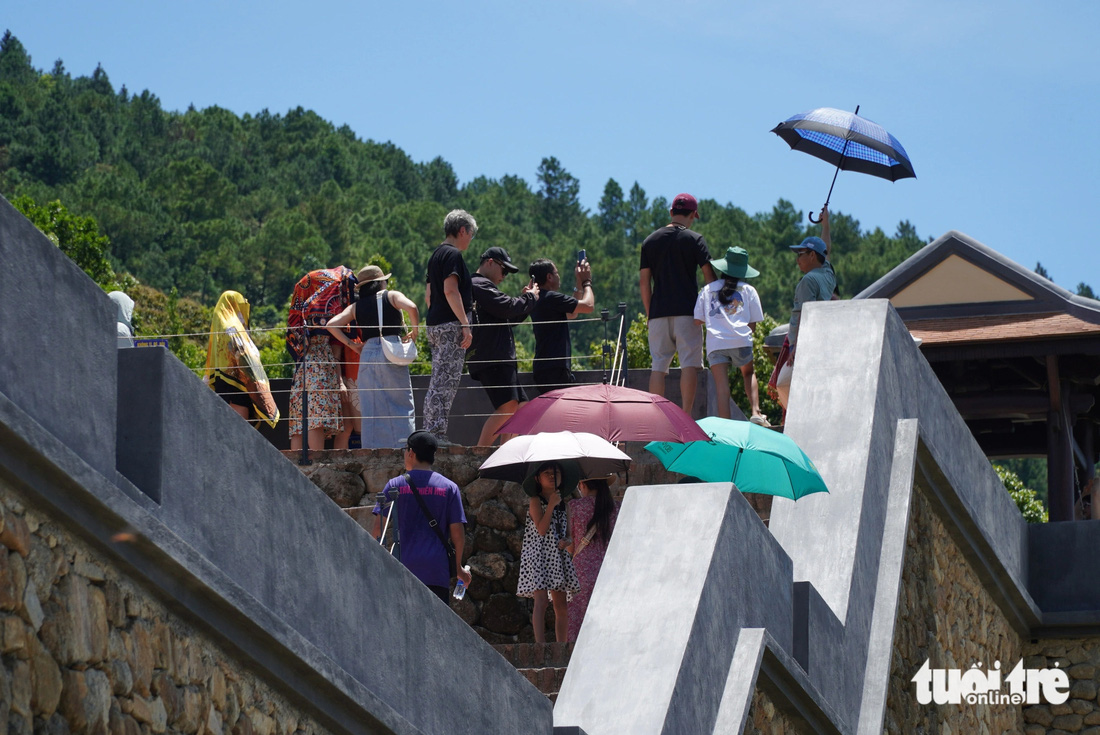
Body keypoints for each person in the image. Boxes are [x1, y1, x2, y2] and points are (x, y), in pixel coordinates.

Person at [370, 430, 471, 603]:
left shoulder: (394, 485)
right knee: (436, 626)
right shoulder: (450, 488)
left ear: (411, 453)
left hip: (402, 567)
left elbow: (379, 529)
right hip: (436, 571)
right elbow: (458, 535)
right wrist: (458, 568)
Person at [325, 265, 419, 449]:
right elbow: (412, 307)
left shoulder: (355, 306)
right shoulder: (391, 296)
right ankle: (404, 447)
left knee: (371, 406)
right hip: (391, 349)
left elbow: (332, 324)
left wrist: (353, 345)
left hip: (367, 353)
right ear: (380, 282)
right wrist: (414, 332)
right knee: (401, 401)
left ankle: (372, 449)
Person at [639, 193, 716, 414]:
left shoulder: (649, 241)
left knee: (658, 366)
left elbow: (645, 283)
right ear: (693, 215)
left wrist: (649, 313)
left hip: (658, 314)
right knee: (689, 364)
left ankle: (656, 418)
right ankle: (686, 415)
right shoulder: (695, 239)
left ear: (671, 212)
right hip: (687, 313)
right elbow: (709, 277)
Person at [468, 247, 539, 446]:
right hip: (492, 356)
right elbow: (507, 307)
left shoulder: (482, 287)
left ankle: (504, 454)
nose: (504, 276)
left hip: (498, 356)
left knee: (522, 408)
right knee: (508, 406)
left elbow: (509, 315)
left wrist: (528, 301)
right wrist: (530, 298)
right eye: (504, 270)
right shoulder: (479, 284)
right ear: (489, 262)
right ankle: (479, 454)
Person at [693, 247, 768, 425]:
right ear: (743, 271)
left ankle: (726, 425)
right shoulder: (749, 290)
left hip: (716, 343)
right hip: (741, 339)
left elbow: (697, 320)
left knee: (721, 387)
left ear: (723, 268)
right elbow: (754, 324)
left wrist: (716, 322)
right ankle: (756, 412)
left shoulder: (707, 289)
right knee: (748, 373)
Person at [773, 207, 834, 410]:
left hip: (803, 344)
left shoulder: (808, 281)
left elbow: (804, 316)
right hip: (822, 340)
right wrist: (825, 225)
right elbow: (827, 250)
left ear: (812, 255)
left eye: (800, 253)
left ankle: (796, 418)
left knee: (782, 384)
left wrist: (796, 348)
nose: (797, 258)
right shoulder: (827, 273)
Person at [423, 209, 476, 443]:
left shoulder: (435, 255)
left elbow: (428, 295)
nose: (471, 239)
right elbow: (449, 290)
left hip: (434, 324)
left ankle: (431, 431)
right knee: (446, 382)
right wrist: (465, 325)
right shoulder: (453, 255)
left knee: (438, 379)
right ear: (462, 230)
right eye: (471, 234)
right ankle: (435, 434)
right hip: (450, 326)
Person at [517, 462, 580, 643]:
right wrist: (551, 505)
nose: (553, 476)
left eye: (556, 473)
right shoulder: (536, 501)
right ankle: (540, 644)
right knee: (541, 601)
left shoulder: (565, 505)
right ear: (537, 478)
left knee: (561, 605)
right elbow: (541, 529)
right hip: (539, 555)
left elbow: (569, 537)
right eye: (546, 473)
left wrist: (566, 541)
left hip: (557, 557)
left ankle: (561, 645)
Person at [203, 290, 279, 427]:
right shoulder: (232, 326)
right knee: (240, 430)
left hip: (222, 379)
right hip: (238, 382)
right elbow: (244, 354)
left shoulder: (221, 324)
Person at [565, 475, 620, 642]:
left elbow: (570, 545)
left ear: (582, 485)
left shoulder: (575, 506)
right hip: (610, 570)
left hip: (580, 572)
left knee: (578, 621)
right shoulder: (616, 508)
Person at [529, 257, 594, 395]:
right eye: (557, 273)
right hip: (555, 369)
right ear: (549, 277)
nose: (559, 277)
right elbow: (588, 306)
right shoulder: (551, 298)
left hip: (543, 367)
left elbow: (572, 314)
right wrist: (587, 282)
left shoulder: (537, 299)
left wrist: (578, 284)